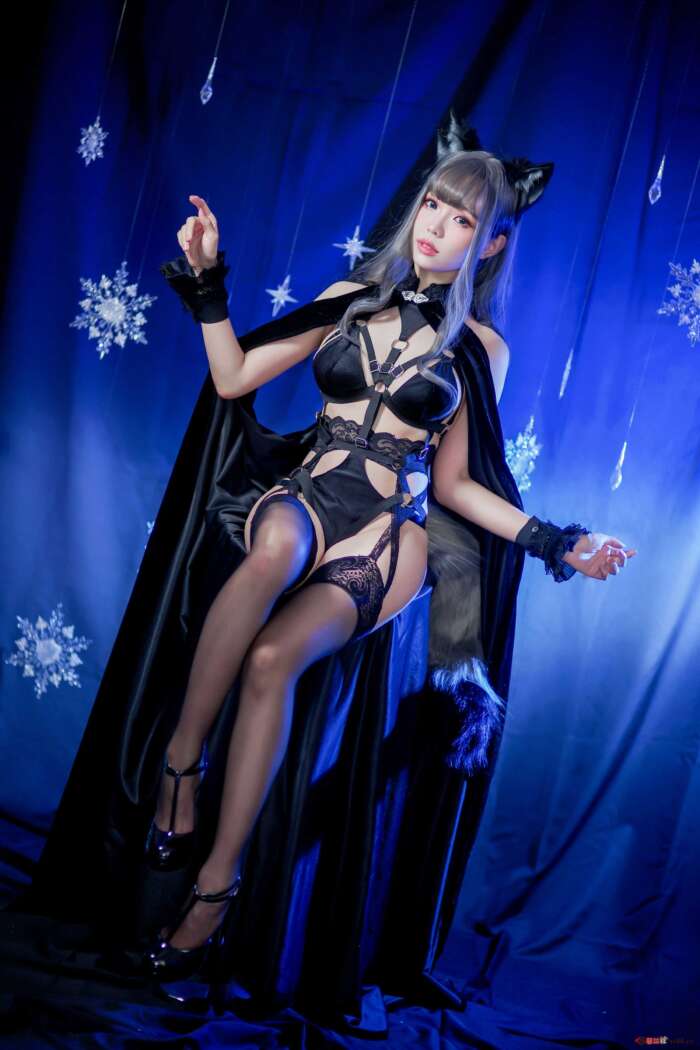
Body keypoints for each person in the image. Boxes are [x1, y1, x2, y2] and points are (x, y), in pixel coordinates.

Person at [139, 132, 636, 980]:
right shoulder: (350, 298)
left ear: (492, 245)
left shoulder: (481, 350)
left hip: (387, 532)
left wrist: (560, 541)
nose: (436, 225)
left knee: (272, 661)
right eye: (433, 205)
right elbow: (234, 377)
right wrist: (209, 281)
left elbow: (458, 485)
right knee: (272, 551)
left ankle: (215, 889)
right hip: (309, 494)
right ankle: (180, 768)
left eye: (462, 218)